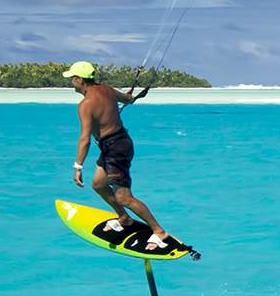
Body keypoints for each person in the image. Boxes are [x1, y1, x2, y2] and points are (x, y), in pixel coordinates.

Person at [65, 60, 188, 254]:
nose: (71, 82)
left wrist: (78, 166)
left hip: (115, 150)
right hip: (119, 143)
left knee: (124, 197)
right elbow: (128, 99)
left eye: (72, 78)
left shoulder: (85, 105)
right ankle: (124, 219)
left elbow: (84, 140)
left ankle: (159, 231)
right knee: (98, 184)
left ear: (80, 79)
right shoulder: (106, 89)